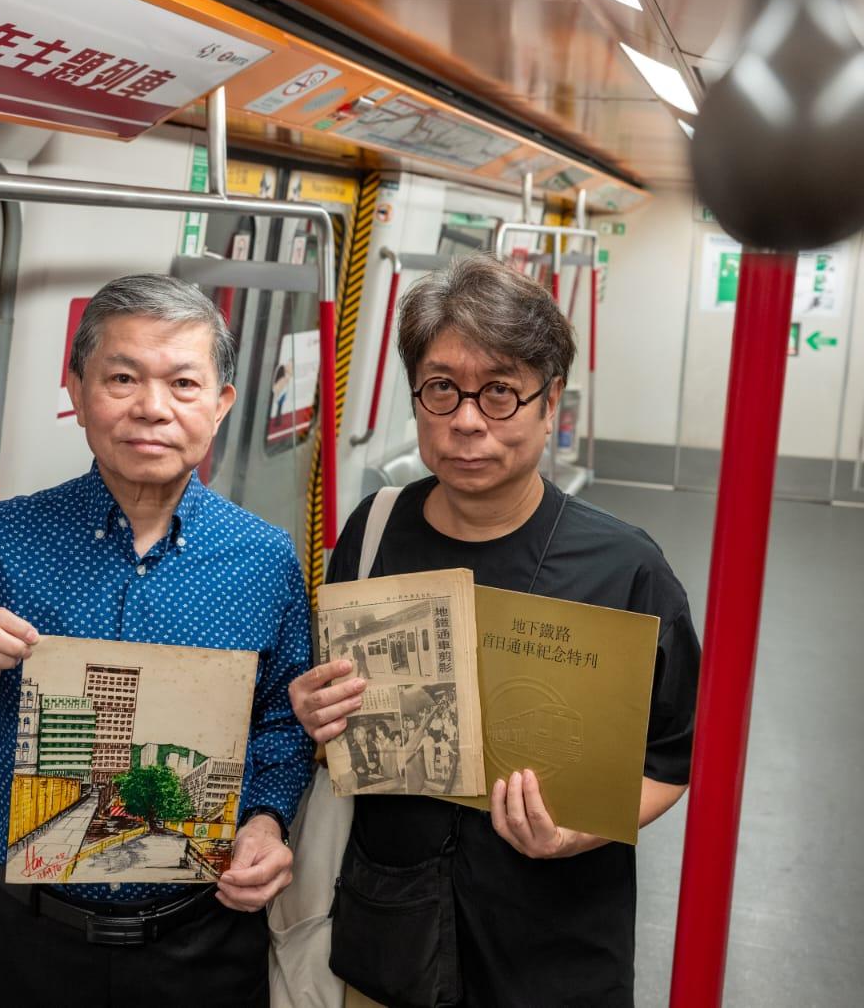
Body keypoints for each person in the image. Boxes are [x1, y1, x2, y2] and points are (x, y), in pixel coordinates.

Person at [0, 275, 314, 1006]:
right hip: (35, 942)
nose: (152, 407)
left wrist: (266, 819)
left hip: (205, 939)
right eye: (122, 377)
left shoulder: (266, 560)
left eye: (184, 383)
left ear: (220, 404)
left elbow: (283, 724)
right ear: (77, 389)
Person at [289, 253, 700, 1005]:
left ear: (551, 403)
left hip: (549, 941)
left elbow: (672, 759)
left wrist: (581, 831)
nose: (468, 420)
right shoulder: (373, 531)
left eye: (501, 392)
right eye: (442, 389)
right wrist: (314, 713)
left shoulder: (625, 568)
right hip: (392, 933)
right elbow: (330, 706)